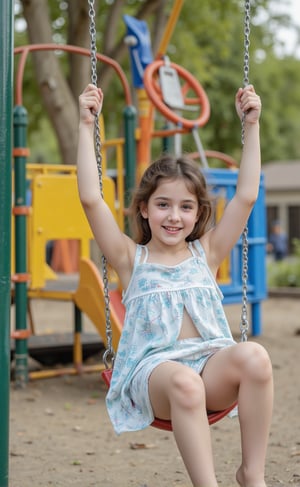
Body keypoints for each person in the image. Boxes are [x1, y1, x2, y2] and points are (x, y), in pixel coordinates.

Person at [77, 83, 273, 487]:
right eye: (163, 205)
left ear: (198, 213)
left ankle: (252, 475)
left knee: (255, 356)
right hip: (156, 377)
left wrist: (251, 126)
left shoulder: (208, 252)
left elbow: (247, 196)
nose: (174, 217)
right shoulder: (132, 259)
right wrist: (85, 125)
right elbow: (91, 200)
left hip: (209, 367)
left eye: (185, 207)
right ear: (145, 210)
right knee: (184, 383)